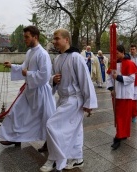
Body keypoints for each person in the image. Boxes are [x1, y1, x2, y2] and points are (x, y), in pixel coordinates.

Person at [40, 28, 97, 172]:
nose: (54, 41)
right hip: (63, 99)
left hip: (74, 100)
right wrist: (53, 79)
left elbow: (85, 80)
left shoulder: (76, 57)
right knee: (75, 130)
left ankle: (54, 158)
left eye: (57, 38)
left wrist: (88, 103)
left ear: (66, 40)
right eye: (54, 38)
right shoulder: (57, 59)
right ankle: (77, 159)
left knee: (51, 125)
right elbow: (51, 78)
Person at [0, 26, 56, 147]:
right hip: (29, 89)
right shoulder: (30, 52)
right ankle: (14, 137)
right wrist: (12, 66)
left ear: (35, 37)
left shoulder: (43, 54)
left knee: (45, 118)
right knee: (16, 113)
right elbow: (23, 67)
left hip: (40, 92)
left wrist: (28, 74)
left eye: (27, 37)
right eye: (24, 37)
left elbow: (45, 75)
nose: (24, 39)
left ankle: (49, 142)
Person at [106, 45, 137, 150]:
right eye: (113, 54)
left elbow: (131, 79)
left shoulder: (130, 63)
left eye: (116, 53)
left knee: (123, 117)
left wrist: (119, 77)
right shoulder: (113, 64)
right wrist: (111, 89)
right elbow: (109, 78)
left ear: (122, 52)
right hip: (116, 94)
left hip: (125, 94)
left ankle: (118, 137)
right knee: (118, 116)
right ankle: (122, 134)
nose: (115, 56)